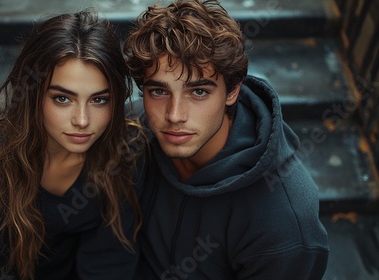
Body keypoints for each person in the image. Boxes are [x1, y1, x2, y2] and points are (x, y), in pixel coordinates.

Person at [123, 0, 329, 279]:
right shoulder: (133, 132)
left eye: (198, 92)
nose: (174, 115)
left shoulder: (285, 224)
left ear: (232, 91)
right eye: (159, 92)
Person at [0, 10, 145, 280]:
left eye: (99, 100)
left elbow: (110, 260)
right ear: (33, 95)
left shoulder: (125, 149)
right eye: (62, 99)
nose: (82, 120)